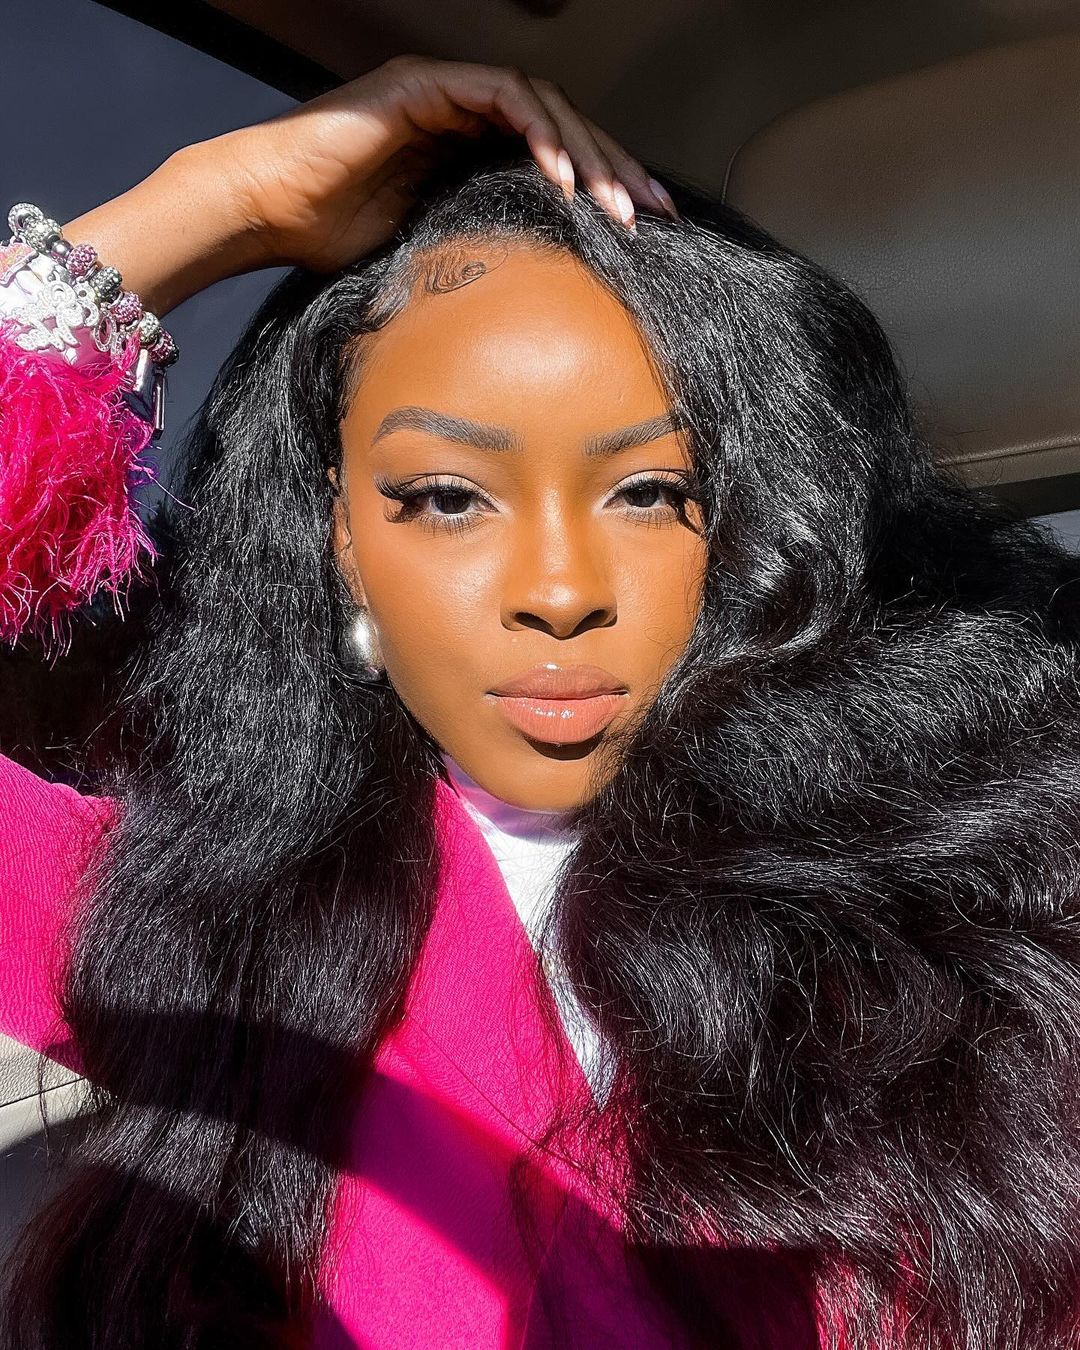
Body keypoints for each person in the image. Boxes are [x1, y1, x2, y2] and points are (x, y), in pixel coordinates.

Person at [1, 51, 1079, 1350]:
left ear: (748, 525)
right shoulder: (182, 917)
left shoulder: (986, 896)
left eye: (650, 493)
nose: (559, 591)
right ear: (341, 540)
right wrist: (211, 204)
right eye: (448, 498)